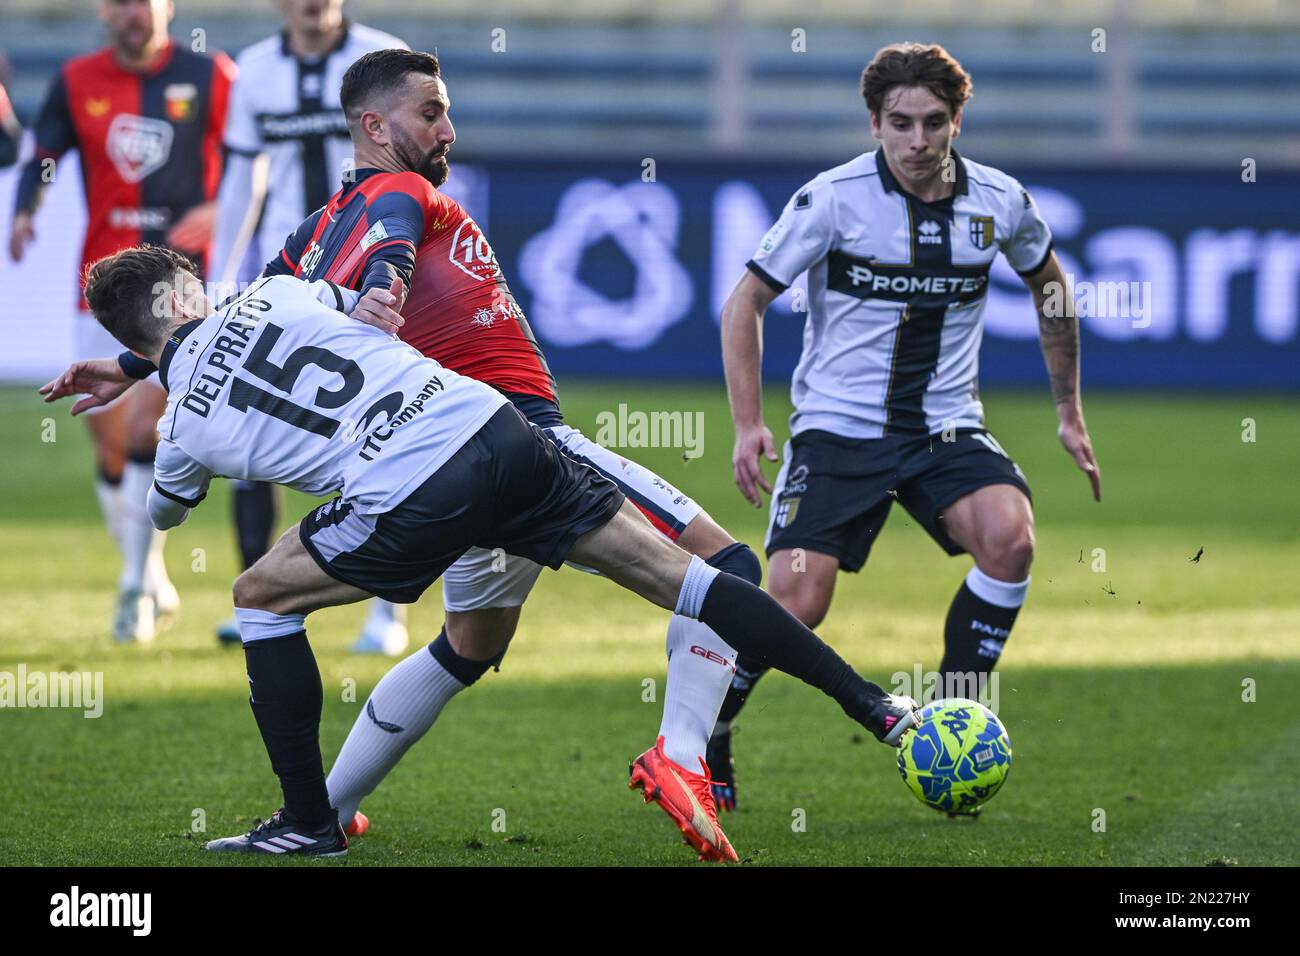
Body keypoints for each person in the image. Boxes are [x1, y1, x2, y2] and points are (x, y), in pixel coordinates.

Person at [55, 48, 771, 863]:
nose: (447, 129)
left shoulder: (311, 238)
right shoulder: (391, 201)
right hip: (511, 439)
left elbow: (242, 327)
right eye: (431, 112)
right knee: (729, 569)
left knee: (470, 642)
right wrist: (387, 277)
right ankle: (683, 755)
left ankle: (324, 810)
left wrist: (135, 363)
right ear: (375, 126)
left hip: (448, 461)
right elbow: (375, 252)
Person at [44, 245, 919, 860]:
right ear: (190, 290)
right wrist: (158, 357)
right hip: (493, 426)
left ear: (136, 329)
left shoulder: (184, 420)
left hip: (413, 484)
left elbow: (165, 510)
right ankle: (878, 708)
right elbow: (336, 309)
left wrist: (153, 387)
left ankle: (309, 822)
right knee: (685, 579)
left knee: (256, 594)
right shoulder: (278, 295)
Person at [709, 41, 1102, 812]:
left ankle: (958, 719)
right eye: (900, 124)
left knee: (1011, 536)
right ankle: (711, 730)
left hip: (944, 427)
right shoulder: (833, 198)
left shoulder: (1000, 201)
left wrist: (1068, 410)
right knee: (796, 601)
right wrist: (749, 423)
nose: (917, 142)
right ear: (874, 122)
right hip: (835, 430)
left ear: (957, 121)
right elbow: (743, 303)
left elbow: (1050, 284)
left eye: (933, 123)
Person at [8, 0, 234, 642]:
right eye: (119, 3)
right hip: (101, 287)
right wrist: (28, 208)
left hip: (180, 290)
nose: (132, 14)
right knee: (108, 443)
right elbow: (45, 154)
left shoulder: (212, 75)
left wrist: (220, 207)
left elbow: (252, 159)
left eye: (143, 2)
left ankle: (134, 587)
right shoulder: (77, 79)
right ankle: (151, 572)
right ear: (104, 11)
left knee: (141, 430)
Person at [210, 0, 408, 653]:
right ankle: (257, 598)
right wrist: (218, 279)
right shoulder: (255, 72)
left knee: (383, 433)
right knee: (249, 432)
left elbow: (419, 165)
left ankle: (387, 612)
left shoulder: (384, 57)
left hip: (368, 267)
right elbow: (242, 179)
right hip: (287, 280)